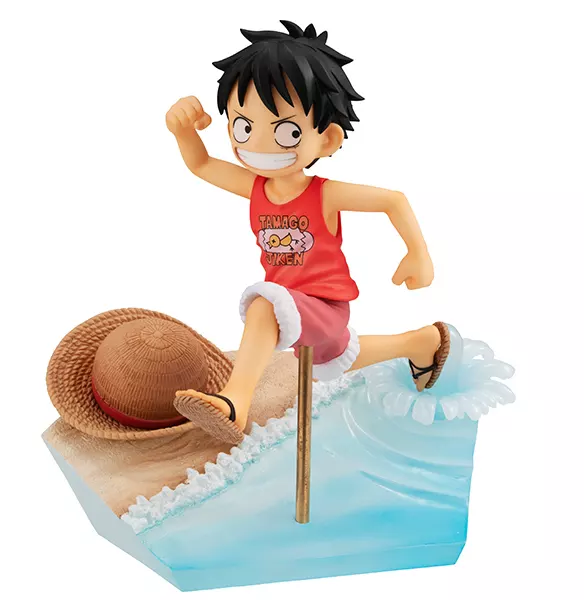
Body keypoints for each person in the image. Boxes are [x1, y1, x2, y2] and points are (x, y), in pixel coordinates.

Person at [167, 20, 450, 444]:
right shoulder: (256, 188)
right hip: (296, 312)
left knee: (263, 304)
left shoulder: (324, 195)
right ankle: (421, 342)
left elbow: (393, 200)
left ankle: (235, 402)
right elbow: (202, 164)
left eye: (286, 132)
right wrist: (183, 131)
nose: (258, 144)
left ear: (328, 139)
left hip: (323, 306)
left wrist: (418, 254)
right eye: (244, 127)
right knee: (335, 356)